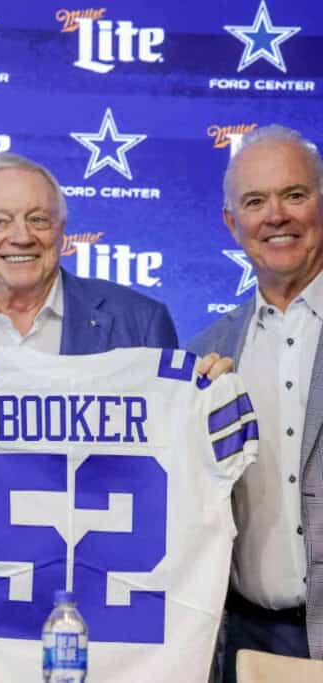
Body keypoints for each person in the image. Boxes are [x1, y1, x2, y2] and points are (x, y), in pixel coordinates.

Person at [0, 152, 222, 497]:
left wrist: (210, 410)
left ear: (62, 232)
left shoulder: (140, 323)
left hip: (104, 558)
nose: (21, 236)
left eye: (38, 220)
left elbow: (177, 460)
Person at [188, 125, 323, 682]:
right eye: (254, 202)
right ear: (231, 223)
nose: (276, 216)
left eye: (295, 195)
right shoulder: (206, 354)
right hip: (244, 641)